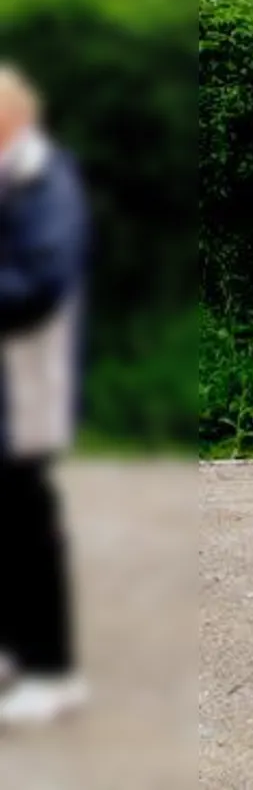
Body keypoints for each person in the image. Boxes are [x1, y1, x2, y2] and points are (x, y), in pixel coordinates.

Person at [0, 64, 90, 727]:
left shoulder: (44, 181)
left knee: (27, 522)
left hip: (29, 380)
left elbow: (41, 283)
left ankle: (51, 669)